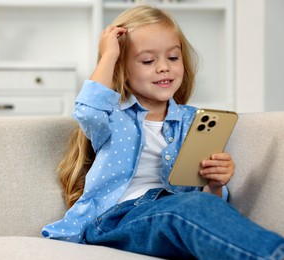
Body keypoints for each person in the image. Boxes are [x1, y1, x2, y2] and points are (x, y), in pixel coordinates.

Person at [42, 5, 284, 259]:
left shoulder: (192, 121)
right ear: (122, 71)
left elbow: (204, 204)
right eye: (148, 60)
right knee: (183, 210)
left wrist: (214, 184)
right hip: (116, 220)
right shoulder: (114, 117)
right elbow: (88, 111)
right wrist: (108, 56)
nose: (164, 67)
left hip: (172, 215)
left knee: (194, 210)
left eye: (173, 57)